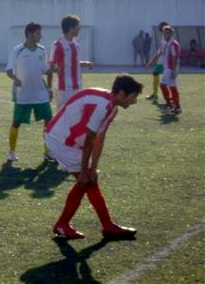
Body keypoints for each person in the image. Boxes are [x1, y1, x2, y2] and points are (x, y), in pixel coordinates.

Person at [45, 74, 143, 240]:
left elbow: (99, 139)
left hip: (70, 140)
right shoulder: (103, 105)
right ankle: (66, 224)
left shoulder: (112, 107)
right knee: (85, 181)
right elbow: (90, 139)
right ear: (121, 93)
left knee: (90, 180)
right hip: (60, 139)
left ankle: (105, 225)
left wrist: (93, 168)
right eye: (132, 97)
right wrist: (85, 171)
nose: (134, 102)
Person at [5, 22, 55, 162]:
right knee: (16, 122)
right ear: (29, 34)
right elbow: (9, 71)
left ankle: (47, 152)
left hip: (40, 93)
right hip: (23, 95)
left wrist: (50, 86)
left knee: (49, 121)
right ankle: (12, 151)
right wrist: (15, 79)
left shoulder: (41, 49)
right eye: (38, 33)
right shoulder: (18, 50)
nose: (41, 36)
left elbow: (46, 70)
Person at [48, 14, 93, 109]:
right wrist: (49, 87)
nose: (79, 28)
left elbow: (72, 62)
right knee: (63, 114)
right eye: (78, 26)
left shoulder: (76, 42)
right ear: (71, 28)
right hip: (64, 88)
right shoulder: (57, 44)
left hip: (78, 85)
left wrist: (84, 63)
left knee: (78, 113)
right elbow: (51, 66)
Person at [148, 25, 182, 114]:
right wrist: (151, 63)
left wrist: (174, 71)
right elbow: (158, 53)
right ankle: (177, 107)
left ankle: (169, 105)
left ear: (171, 33)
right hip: (167, 67)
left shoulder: (174, 44)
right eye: (164, 32)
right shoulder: (164, 42)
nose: (165, 34)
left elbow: (175, 58)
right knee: (172, 86)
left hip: (171, 68)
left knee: (163, 85)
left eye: (167, 33)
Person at [145, 21, 169, 103]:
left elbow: (161, 52)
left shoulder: (167, 38)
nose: (161, 28)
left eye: (163, 27)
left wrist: (151, 62)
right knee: (156, 74)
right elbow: (160, 51)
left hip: (165, 61)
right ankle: (155, 94)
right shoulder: (163, 37)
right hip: (162, 61)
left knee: (165, 80)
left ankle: (167, 99)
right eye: (161, 27)